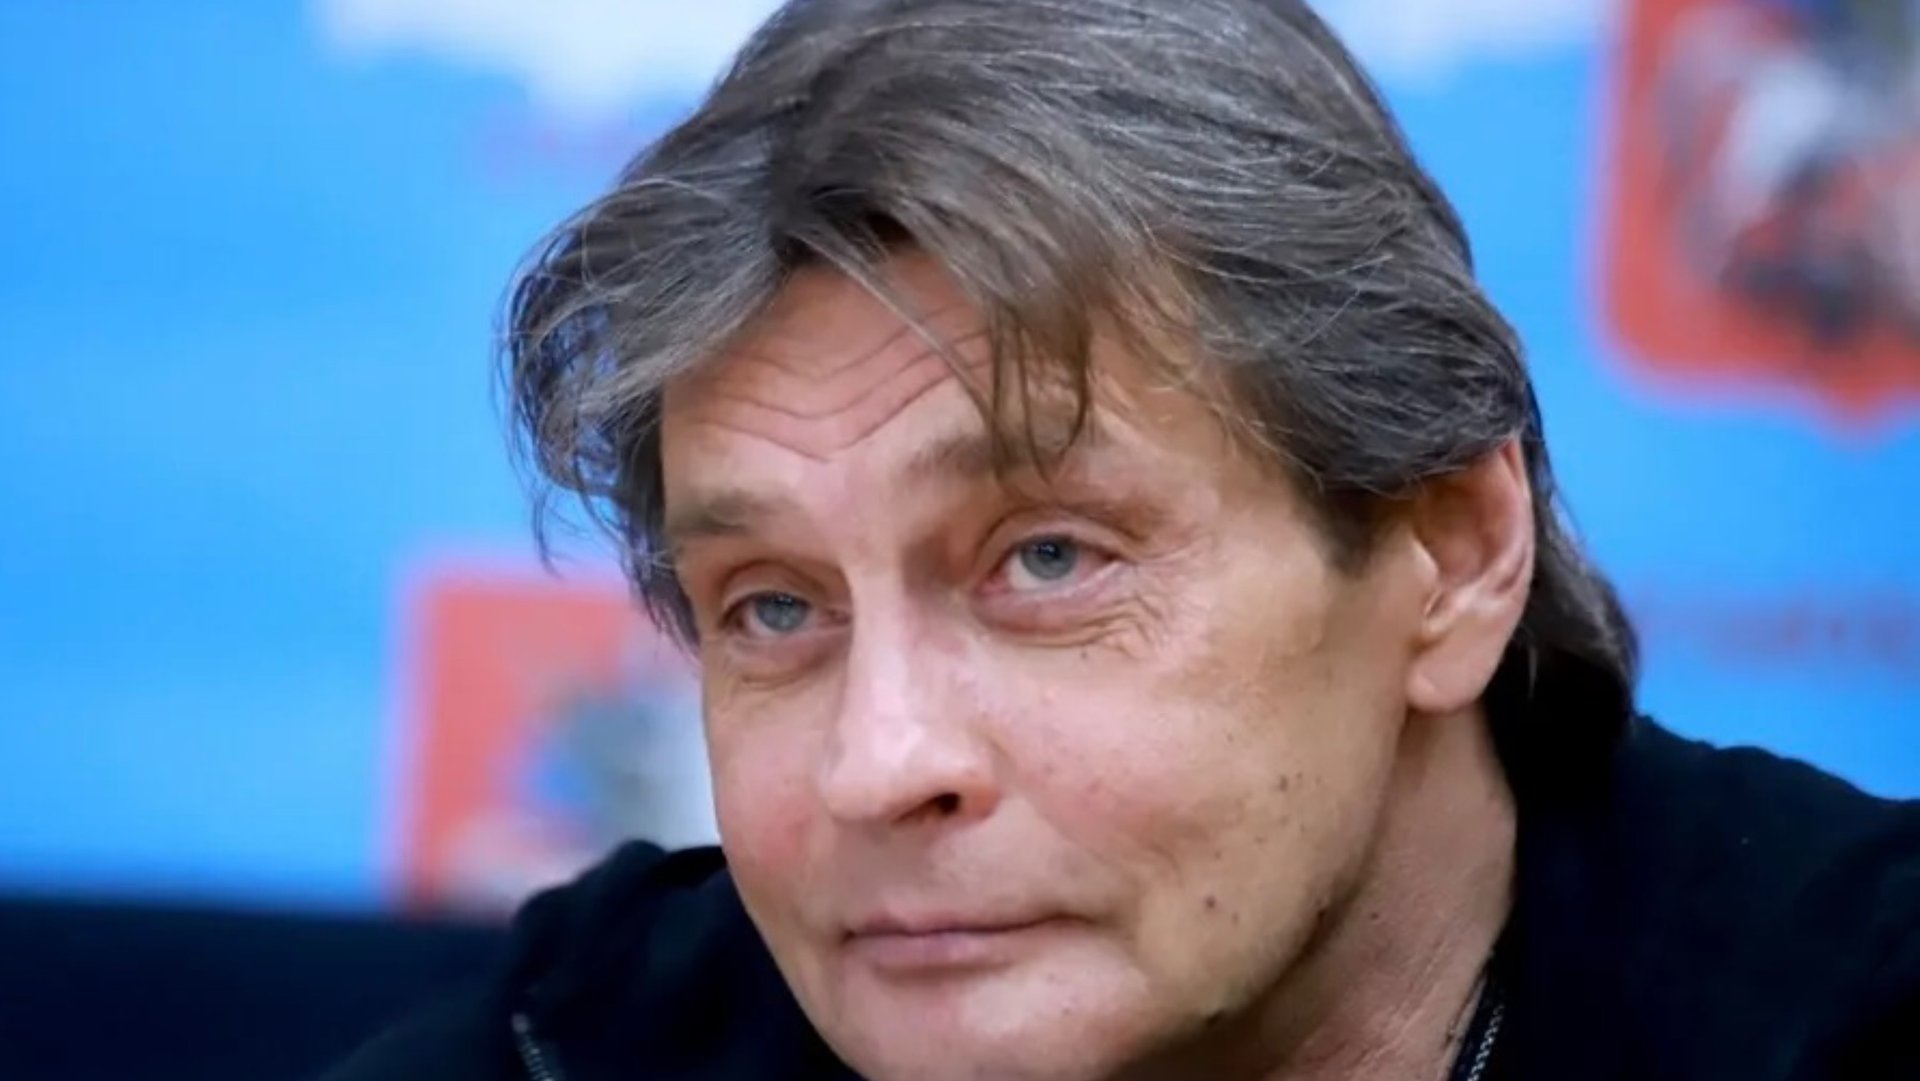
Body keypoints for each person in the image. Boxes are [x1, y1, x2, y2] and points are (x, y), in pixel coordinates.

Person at [324, 0, 1920, 1078]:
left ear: (1450, 551)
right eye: (774, 607)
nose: (879, 764)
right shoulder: (583, 1042)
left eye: (1048, 559)